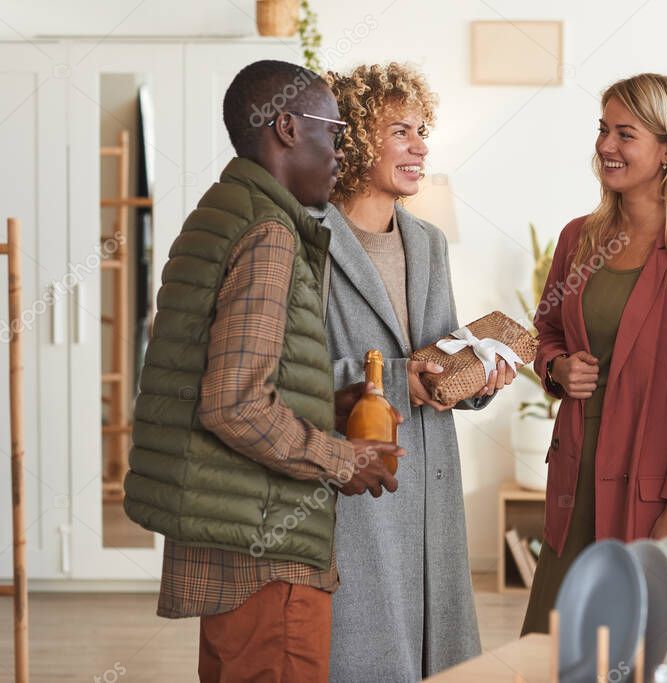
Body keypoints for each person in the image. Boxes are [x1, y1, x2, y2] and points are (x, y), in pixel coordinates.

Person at [122, 59, 403, 682]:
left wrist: (327, 404)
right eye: (332, 131)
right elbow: (233, 404)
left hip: (228, 534)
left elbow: (220, 375)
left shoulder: (221, 213)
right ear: (285, 128)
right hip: (265, 550)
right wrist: (342, 458)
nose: (340, 152)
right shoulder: (271, 233)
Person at [312, 62, 517, 682]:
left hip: (430, 475)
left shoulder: (428, 241)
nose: (421, 146)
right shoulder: (306, 240)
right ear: (351, 139)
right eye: (401, 130)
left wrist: (475, 375)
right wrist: (403, 378)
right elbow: (294, 372)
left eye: (423, 130)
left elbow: (439, 351)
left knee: (437, 656)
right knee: (366, 653)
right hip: (357, 476)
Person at [521, 73, 667, 635]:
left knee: (632, 652)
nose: (606, 147)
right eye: (602, 130)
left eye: (625, 134)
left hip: (648, 491)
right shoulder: (578, 240)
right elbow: (542, 333)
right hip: (574, 480)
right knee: (552, 648)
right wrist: (557, 369)